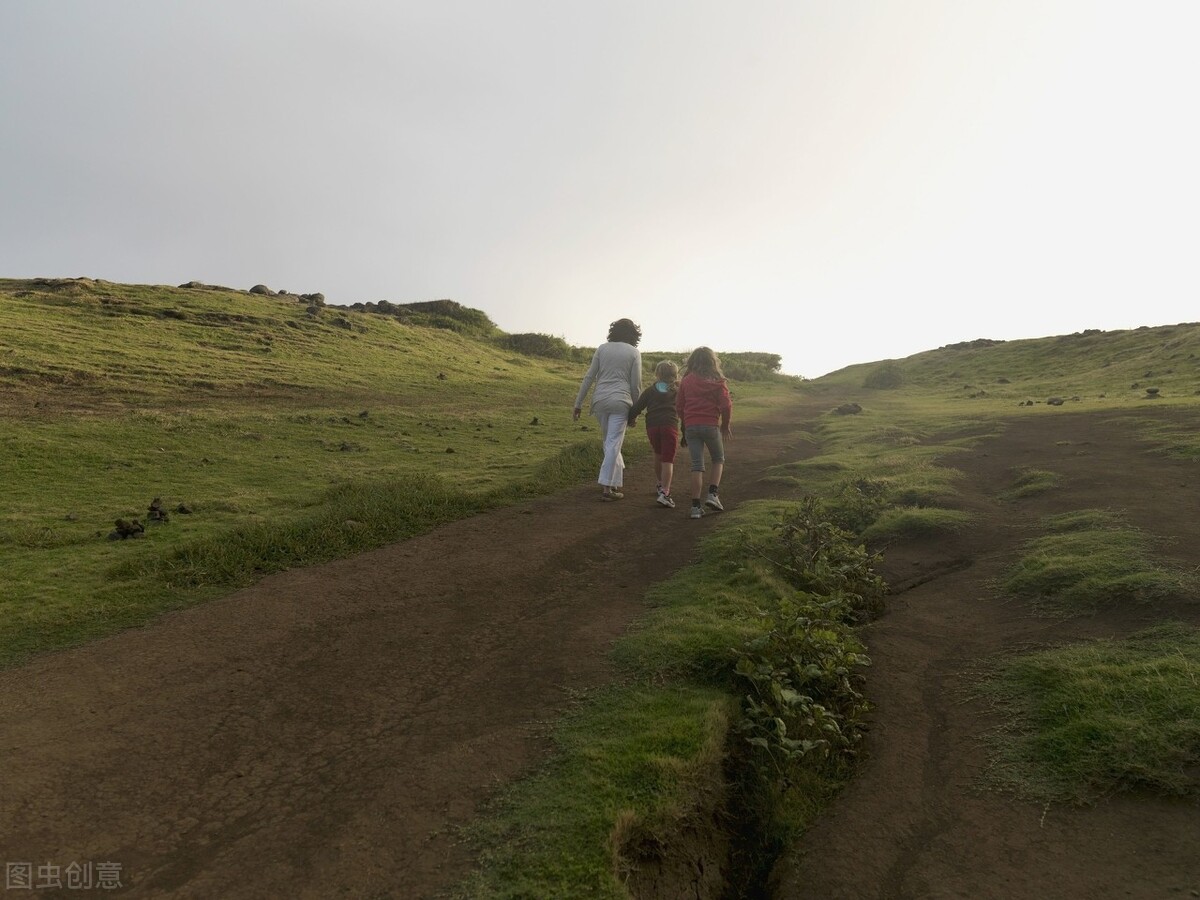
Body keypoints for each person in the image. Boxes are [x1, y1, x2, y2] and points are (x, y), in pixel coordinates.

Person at [573, 318, 643, 500]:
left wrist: (578, 403)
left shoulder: (602, 348)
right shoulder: (634, 352)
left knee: (609, 443)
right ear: (633, 334)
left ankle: (613, 482)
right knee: (613, 443)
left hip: (600, 401)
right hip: (621, 402)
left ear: (614, 331)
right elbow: (635, 385)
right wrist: (636, 411)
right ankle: (606, 487)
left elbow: (589, 377)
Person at [675, 346, 732, 519]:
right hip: (710, 425)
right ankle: (713, 494)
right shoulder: (718, 381)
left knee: (697, 466)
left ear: (692, 362)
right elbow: (726, 405)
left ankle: (695, 508)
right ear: (712, 362)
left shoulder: (686, 380)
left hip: (692, 426)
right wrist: (725, 425)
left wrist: (686, 422)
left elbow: (679, 406)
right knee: (718, 459)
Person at [627, 359, 680, 508]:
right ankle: (665, 492)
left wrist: (630, 419)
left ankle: (660, 484)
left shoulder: (650, 390)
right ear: (675, 375)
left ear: (657, 374)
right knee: (668, 459)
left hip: (652, 426)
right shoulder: (677, 391)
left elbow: (637, 407)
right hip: (669, 426)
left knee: (658, 454)